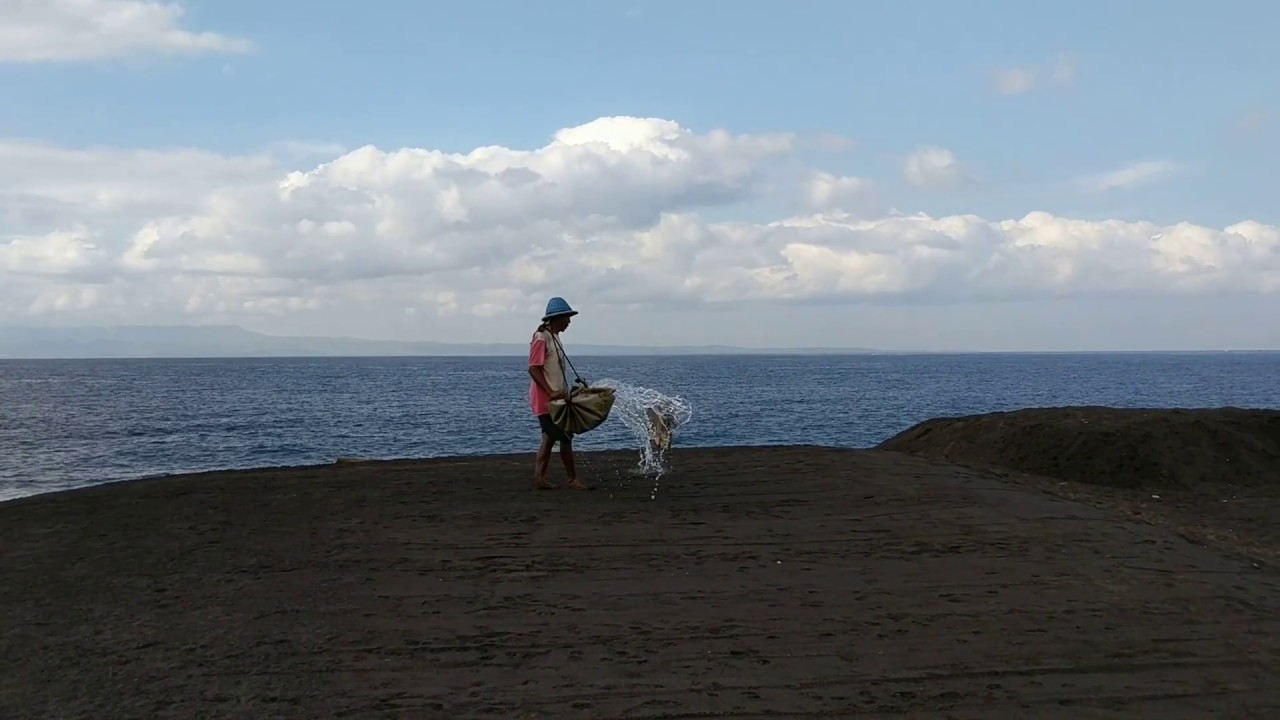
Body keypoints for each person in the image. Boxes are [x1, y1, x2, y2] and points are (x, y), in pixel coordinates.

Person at [528, 296, 587, 491]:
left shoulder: (554, 337)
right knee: (565, 437)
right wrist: (550, 391)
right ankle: (572, 479)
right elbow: (533, 369)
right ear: (557, 318)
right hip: (546, 400)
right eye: (567, 318)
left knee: (550, 437)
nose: (569, 322)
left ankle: (539, 478)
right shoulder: (541, 338)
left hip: (557, 398)